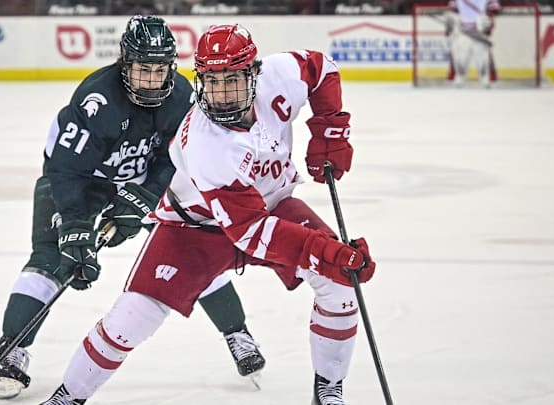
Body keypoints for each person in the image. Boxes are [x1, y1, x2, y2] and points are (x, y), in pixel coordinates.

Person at [38, 24, 377, 405]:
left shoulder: (279, 76)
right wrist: (325, 250)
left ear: (254, 73)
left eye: (231, 80)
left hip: (273, 205)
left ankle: (329, 388)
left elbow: (321, 68)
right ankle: (69, 396)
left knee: (340, 282)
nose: (220, 94)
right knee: (131, 319)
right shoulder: (204, 142)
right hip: (194, 227)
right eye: (211, 81)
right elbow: (251, 233)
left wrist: (330, 129)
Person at [0, 16, 265, 400]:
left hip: (143, 183)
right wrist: (75, 226)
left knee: (191, 253)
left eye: (159, 69)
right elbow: (64, 168)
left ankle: (237, 333)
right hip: (81, 183)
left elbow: (175, 157)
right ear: (124, 64)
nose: (150, 80)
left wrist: (144, 196)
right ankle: (11, 352)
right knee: (50, 259)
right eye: (142, 69)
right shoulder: (98, 100)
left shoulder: (181, 96)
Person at [445, 0, 501, 86]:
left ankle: (484, 80)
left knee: (482, 60)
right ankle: (461, 79)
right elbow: (452, 12)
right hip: (464, 31)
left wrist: (488, 22)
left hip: (478, 32)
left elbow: (494, 10)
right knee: (461, 59)